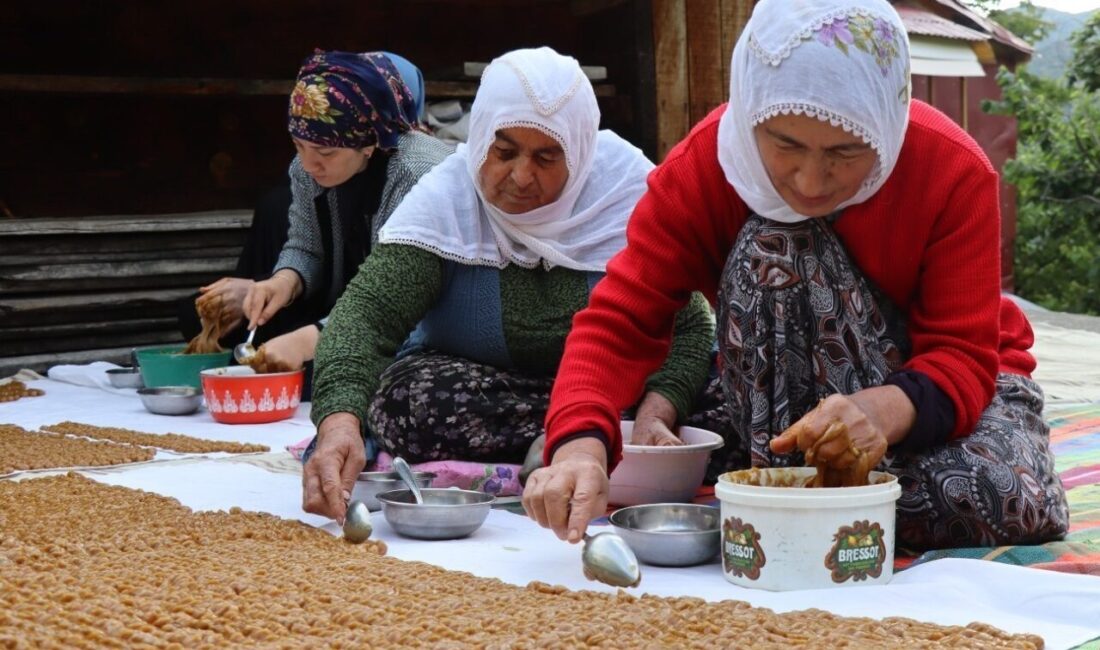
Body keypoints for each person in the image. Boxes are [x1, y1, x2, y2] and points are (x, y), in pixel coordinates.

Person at [523, 0, 1069, 551]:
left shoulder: (951, 169)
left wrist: (876, 412)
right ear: (751, 110)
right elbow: (621, 321)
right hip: (786, 407)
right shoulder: (705, 168)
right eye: (784, 145)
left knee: (998, 498)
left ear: (884, 123)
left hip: (941, 399)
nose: (811, 181)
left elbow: (962, 355)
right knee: (776, 243)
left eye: (846, 151)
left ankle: (781, 495)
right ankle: (789, 477)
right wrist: (578, 449)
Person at [300, 47, 716, 522]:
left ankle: (587, 439)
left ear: (579, 150)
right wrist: (337, 426)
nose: (520, 176)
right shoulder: (448, 201)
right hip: (488, 394)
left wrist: (656, 415)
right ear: (479, 141)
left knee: (732, 406)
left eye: (546, 156)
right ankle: (580, 444)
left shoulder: (628, 196)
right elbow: (365, 316)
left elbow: (690, 329)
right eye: (504, 152)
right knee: (408, 399)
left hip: (617, 398)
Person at [183, 50, 452, 381]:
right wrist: (283, 282)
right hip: (356, 312)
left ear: (369, 143)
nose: (309, 164)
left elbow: (396, 295)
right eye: (298, 145)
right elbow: (305, 246)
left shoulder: (419, 174)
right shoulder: (306, 169)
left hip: (426, 323)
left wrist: (307, 341)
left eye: (326, 152)